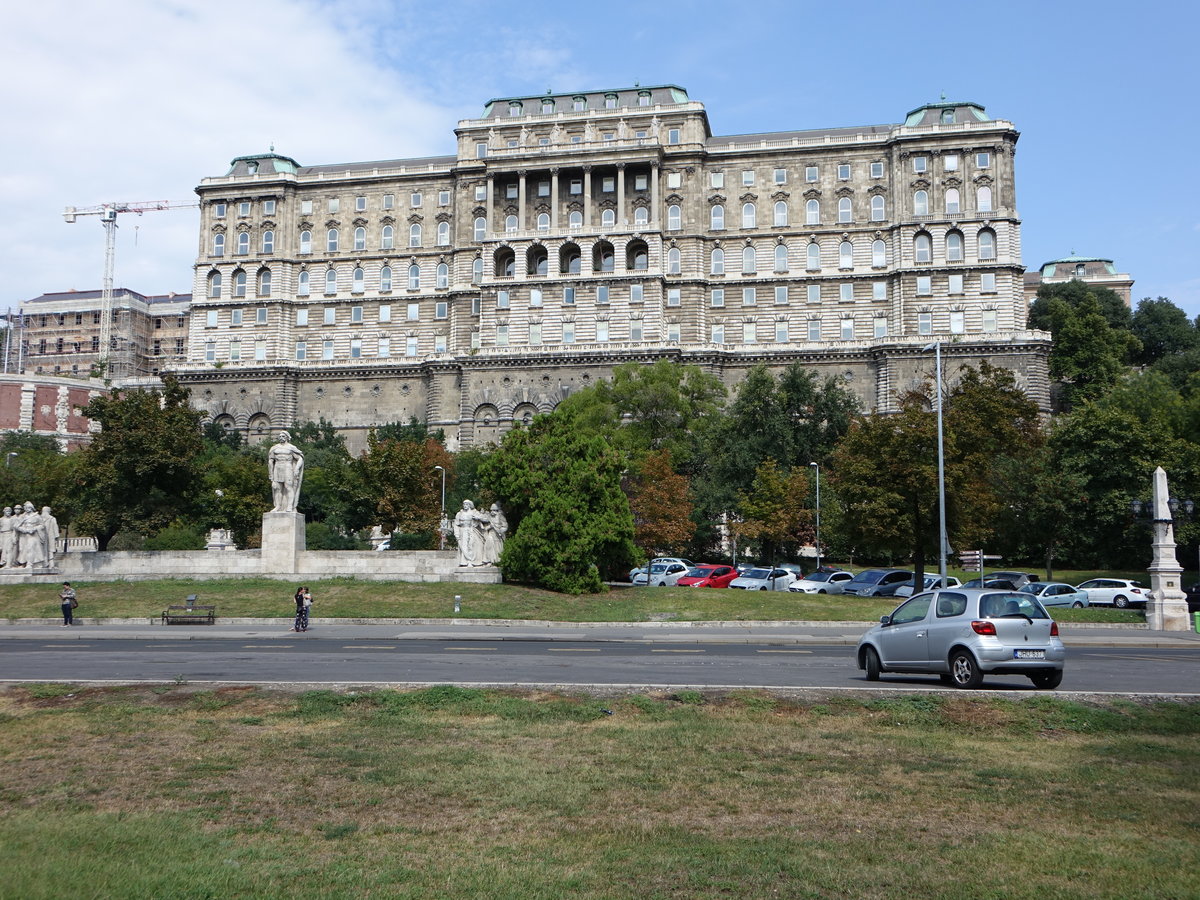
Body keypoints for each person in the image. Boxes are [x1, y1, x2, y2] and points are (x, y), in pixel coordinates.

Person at [268, 431, 305, 513]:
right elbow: (270, 461)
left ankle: (289, 506)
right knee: (277, 488)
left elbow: (300, 458)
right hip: (277, 467)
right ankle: (278, 506)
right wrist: (271, 474)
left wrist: (297, 469)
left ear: (287, 437)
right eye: (280, 436)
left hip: (287, 467)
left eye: (283, 436)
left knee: (288, 487)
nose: (281, 437)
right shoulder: (274, 448)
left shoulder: (291, 447)